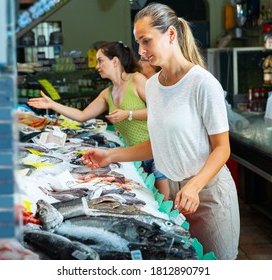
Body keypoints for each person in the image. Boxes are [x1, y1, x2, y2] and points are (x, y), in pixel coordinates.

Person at [82, 3, 240, 260]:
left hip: (208, 193)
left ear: (171, 35)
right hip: (177, 196)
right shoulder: (154, 85)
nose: (141, 52)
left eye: (146, 41)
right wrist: (110, 156)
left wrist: (195, 186)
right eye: (138, 43)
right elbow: (158, 143)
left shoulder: (203, 83)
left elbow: (222, 148)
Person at [27, 41, 170, 200]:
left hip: (154, 151)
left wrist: (128, 114)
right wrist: (52, 105)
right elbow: (82, 115)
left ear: (115, 61)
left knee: (163, 201)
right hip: (132, 156)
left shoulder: (137, 80)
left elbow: (159, 112)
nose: (97, 66)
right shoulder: (107, 93)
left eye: (100, 61)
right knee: (148, 199)